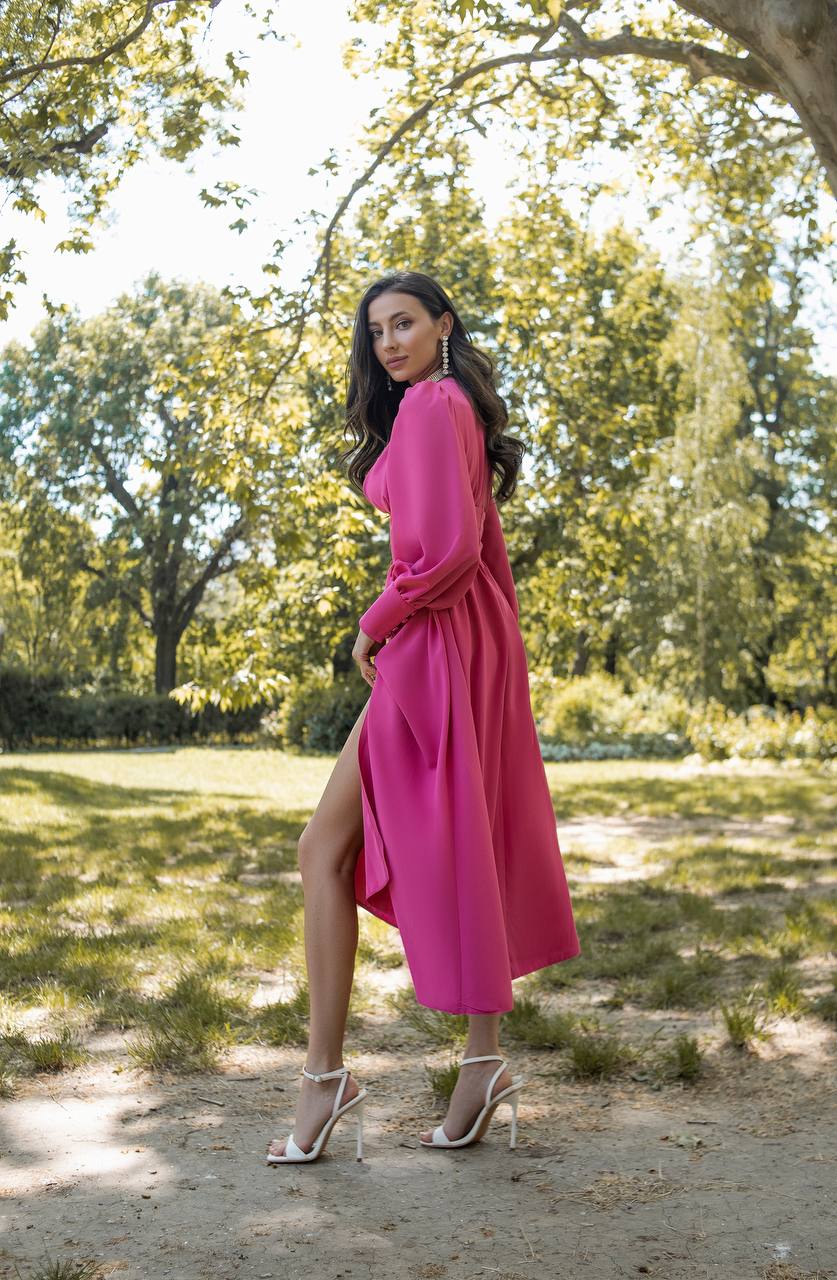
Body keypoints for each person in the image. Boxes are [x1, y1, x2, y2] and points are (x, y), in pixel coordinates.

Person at [266, 270, 579, 1165]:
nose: (388, 342)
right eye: (375, 331)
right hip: (465, 639)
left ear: (442, 324)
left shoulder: (429, 405)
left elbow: (444, 553)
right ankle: (476, 1064)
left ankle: (327, 1079)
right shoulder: (452, 407)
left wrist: (374, 621)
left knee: (321, 848)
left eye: (403, 323)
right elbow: (475, 547)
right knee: (461, 837)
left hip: (438, 640)